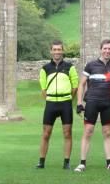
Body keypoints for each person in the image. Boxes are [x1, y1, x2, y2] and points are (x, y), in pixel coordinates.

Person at [74, 39, 110, 172]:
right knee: (88, 132)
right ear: (100, 49)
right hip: (92, 102)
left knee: (107, 132)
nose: (107, 51)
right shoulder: (91, 65)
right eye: (105, 48)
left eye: (109, 49)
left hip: (107, 103)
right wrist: (79, 103)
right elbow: (81, 84)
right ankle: (82, 163)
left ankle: (109, 163)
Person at [35, 40, 79, 170]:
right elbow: (43, 89)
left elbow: (75, 86)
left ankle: (66, 162)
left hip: (65, 103)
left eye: (59, 49)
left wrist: (68, 99)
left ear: (63, 51)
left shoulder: (70, 67)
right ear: (51, 51)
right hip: (51, 104)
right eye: (54, 49)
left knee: (67, 133)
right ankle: (41, 161)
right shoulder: (45, 69)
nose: (57, 52)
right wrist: (50, 99)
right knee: (46, 133)